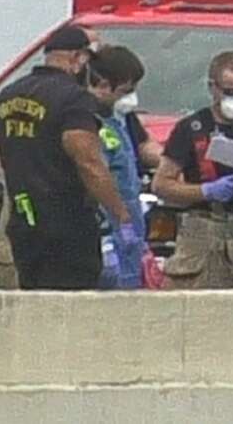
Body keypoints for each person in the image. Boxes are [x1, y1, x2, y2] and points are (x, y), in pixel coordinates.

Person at [0, 25, 138, 290]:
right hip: (67, 226)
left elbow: (1, 145)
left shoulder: (7, 96)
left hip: (24, 222)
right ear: (78, 59)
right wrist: (121, 215)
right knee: (71, 312)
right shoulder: (73, 99)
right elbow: (88, 162)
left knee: (35, 307)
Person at [152, 51, 233, 288]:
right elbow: (162, 185)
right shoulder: (192, 128)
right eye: (231, 91)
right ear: (213, 88)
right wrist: (206, 191)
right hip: (203, 232)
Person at [85, 45, 162, 289]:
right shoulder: (85, 118)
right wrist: (116, 221)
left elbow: (143, 148)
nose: (130, 97)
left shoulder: (122, 117)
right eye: (125, 90)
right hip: (105, 226)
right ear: (103, 85)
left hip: (129, 227)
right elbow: (94, 174)